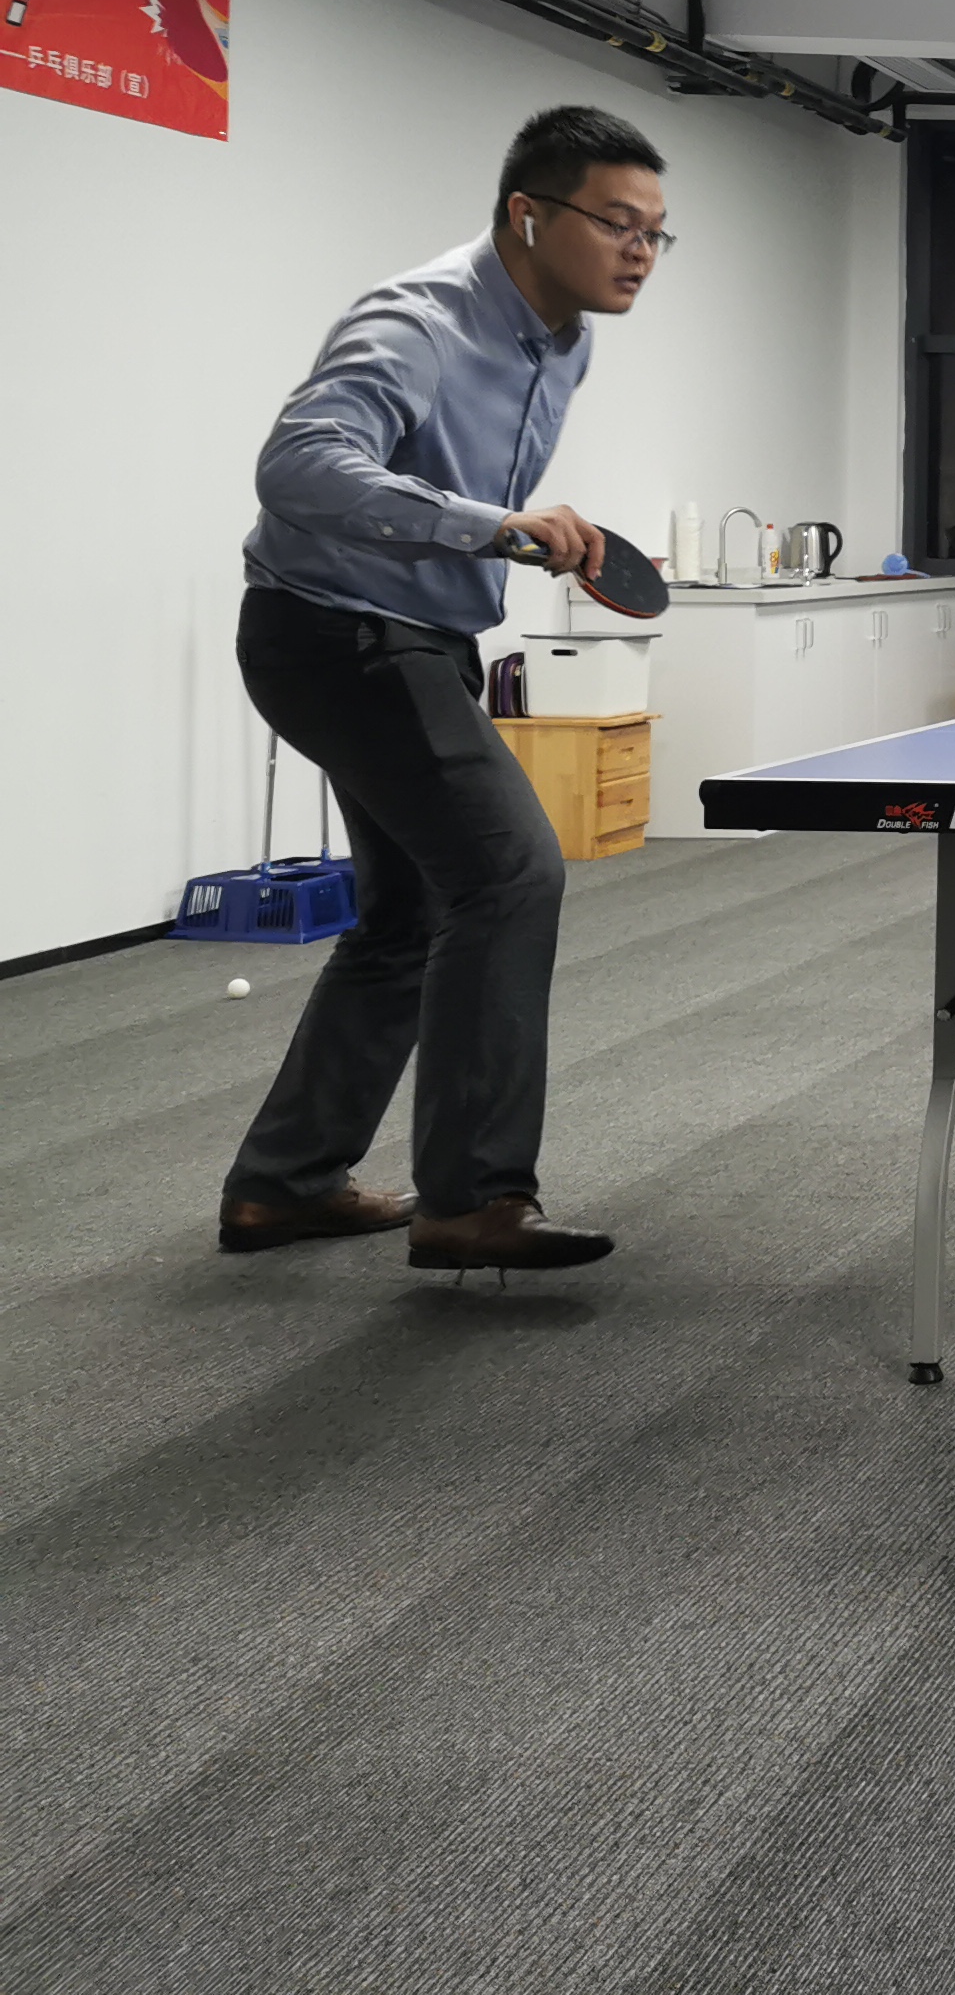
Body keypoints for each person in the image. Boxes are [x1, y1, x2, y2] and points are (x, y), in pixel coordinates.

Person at [218, 106, 664, 1274]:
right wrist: (491, 525)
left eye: (656, 233)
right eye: (616, 223)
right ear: (529, 213)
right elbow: (299, 467)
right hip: (339, 637)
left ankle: (282, 1185)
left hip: (418, 639)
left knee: (413, 912)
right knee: (511, 872)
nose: (639, 252)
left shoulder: (565, 342)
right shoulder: (415, 321)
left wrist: (503, 538)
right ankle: (470, 1201)